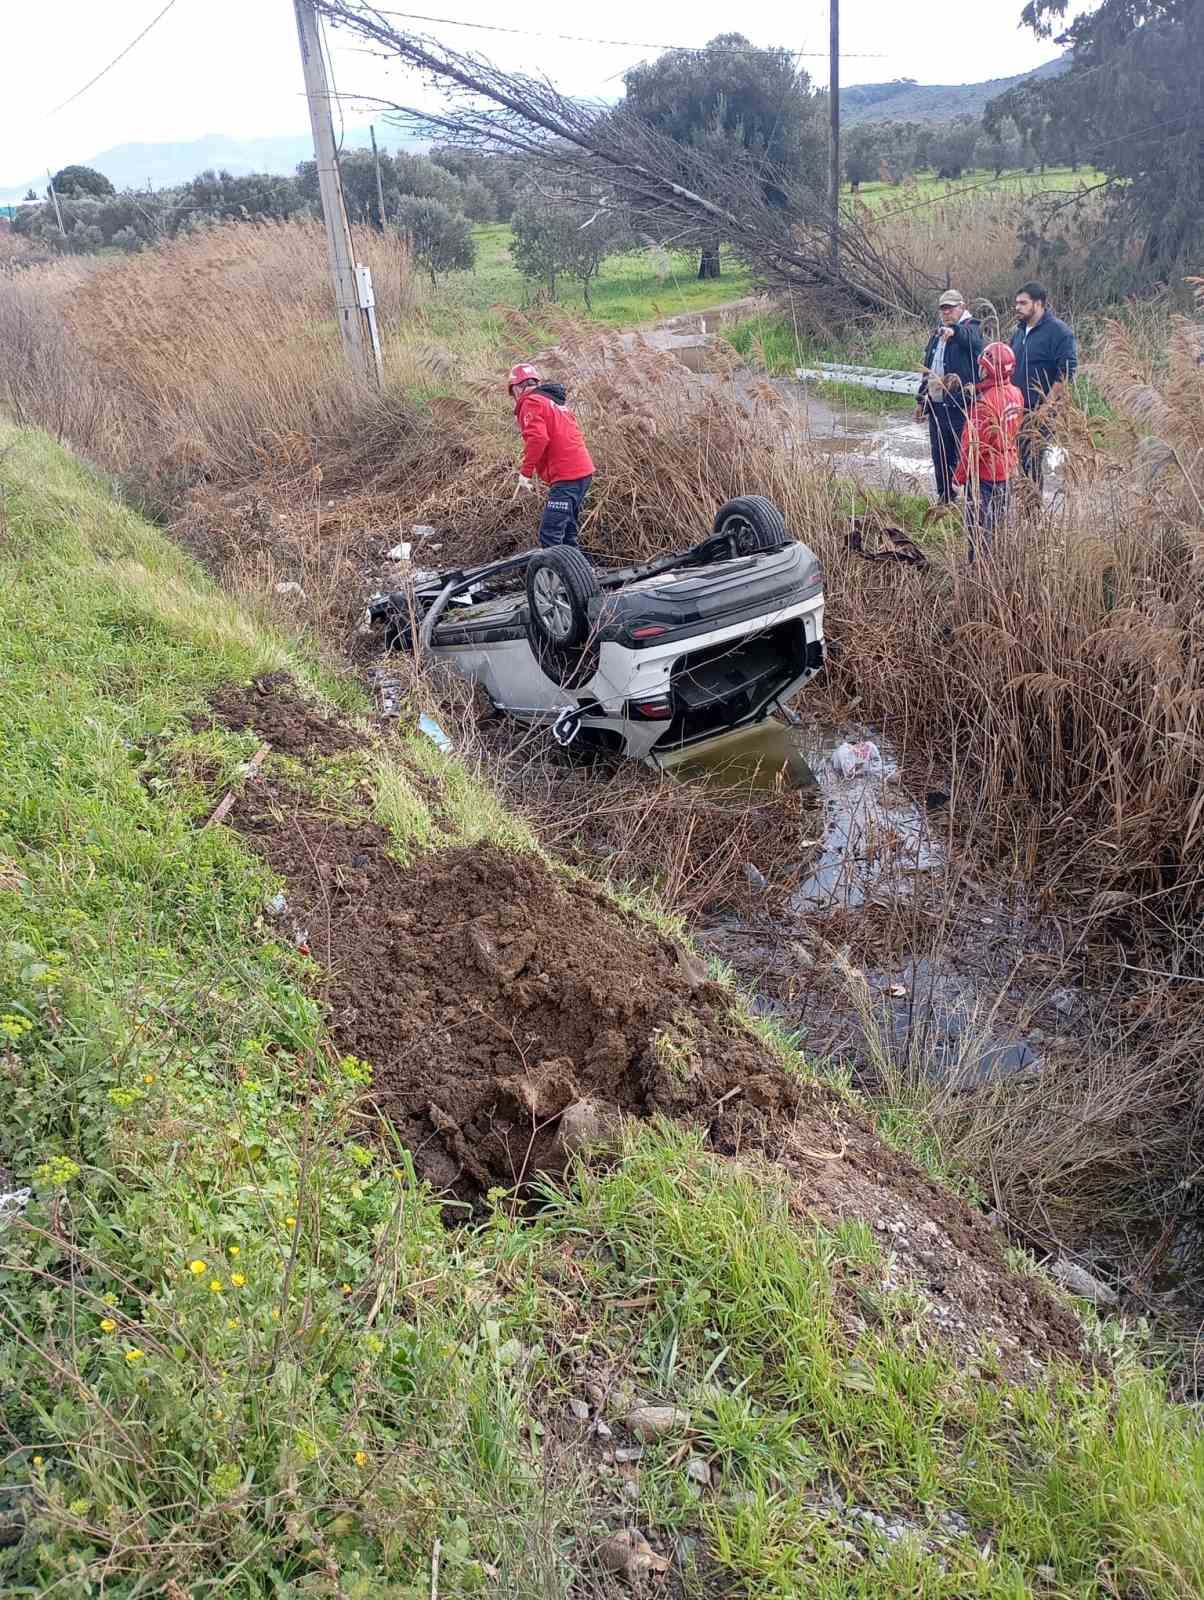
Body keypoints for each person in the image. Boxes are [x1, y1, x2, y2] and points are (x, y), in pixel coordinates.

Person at [508, 362, 595, 549]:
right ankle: (581, 573)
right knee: (568, 532)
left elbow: (538, 439)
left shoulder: (530, 402)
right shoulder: (554, 401)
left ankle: (562, 576)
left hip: (567, 477)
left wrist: (525, 472)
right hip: (583, 473)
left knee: (550, 534)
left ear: (516, 388)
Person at [953, 341, 1024, 560]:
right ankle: (995, 565)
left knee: (978, 528)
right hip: (1007, 469)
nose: (979, 369)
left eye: (983, 365)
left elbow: (972, 447)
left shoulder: (984, 404)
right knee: (998, 524)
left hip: (985, 475)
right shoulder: (1015, 393)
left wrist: (959, 478)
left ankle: (977, 572)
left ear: (989, 369)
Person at [915, 290, 984, 507]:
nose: (946, 312)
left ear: (962, 306)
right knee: (940, 454)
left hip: (959, 407)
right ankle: (945, 499)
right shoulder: (937, 334)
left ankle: (972, 502)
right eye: (943, 308)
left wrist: (954, 331)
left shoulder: (973, 328)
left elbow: (973, 340)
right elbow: (929, 369)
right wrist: (921, 399)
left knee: (965, 455)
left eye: (951, 308)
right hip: (936, 406)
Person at [1008, 281, 1077, 494]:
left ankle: (1033, 517)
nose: (1017, 307)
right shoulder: (1019, 332)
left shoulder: (1059, 332)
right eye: (1016, 303)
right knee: (1017, 462)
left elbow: (1065, 373)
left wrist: (1046, 408)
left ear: (1038, 304)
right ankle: (1023, 513)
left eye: (1023, 303)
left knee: (1031, 462)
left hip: (1040, 410)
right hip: (1016, 409)